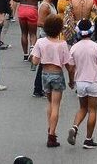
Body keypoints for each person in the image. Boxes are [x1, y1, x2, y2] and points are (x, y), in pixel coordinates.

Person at [66, 19, 97, 150]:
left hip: (80, 83)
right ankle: (88, 139)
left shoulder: (74, 48)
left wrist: (71, 81)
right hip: (93, 82)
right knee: (92, 110)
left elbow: (71, 68)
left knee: (82, 108)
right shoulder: (96, 47)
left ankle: (74, 127)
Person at [30, 14, 71, 147]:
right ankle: (52, 135)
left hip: (45, 74)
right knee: (56, 106)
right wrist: (72, 79)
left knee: (50, 103)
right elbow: (68, 64)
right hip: (57, 74)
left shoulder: (40, 42)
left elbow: (35, 61)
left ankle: (50, 127)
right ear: (59, 29)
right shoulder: (62, 44)